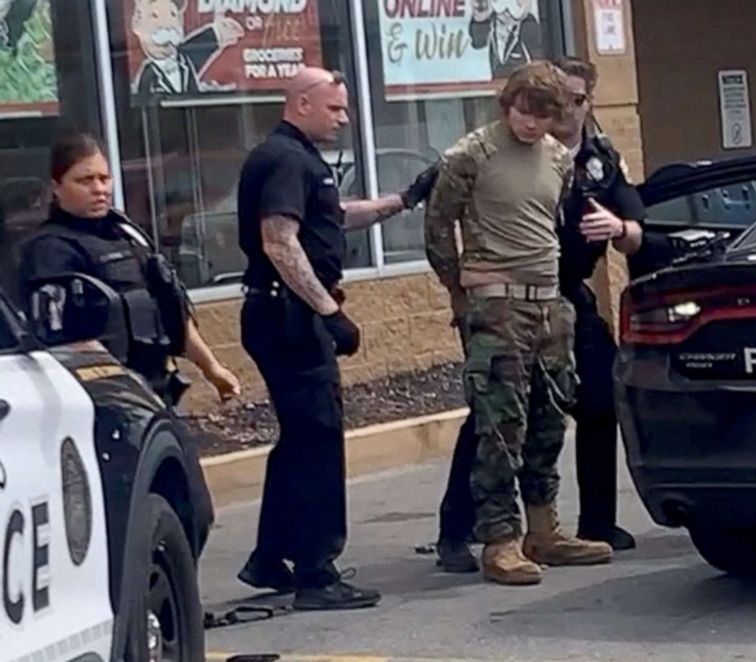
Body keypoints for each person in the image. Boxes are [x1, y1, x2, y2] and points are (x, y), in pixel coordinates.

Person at [433, 57, 645, 574]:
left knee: (549, 422)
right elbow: (438, 228)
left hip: (550, 302)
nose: (531, 123)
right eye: (524, 111)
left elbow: (555, 226)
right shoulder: (471, 154)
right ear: (508, 105)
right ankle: (498, 538)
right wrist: (461, 295)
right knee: (500, 424)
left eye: (543, 114)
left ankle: (543, 528)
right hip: (496, 301)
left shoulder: (557, 159)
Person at [235, 67, 436, 610]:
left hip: (283, 314)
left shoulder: (296, 158)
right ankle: (317, 574)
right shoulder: (284, 158)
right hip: (289, 316)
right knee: (319, 441)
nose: (344, 118)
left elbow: (333, 218)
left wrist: (404, 199)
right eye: (335, 108)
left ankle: (270, 557)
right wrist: (328, 311)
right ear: (301, 102)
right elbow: (279, 241)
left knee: (300, 438)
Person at [18, 132, 241, 407]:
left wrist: (211, 368)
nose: (99, 188)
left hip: (155, 391)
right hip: (99, 400)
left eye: (104, 178)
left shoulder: (126, 234)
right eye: (85, 180)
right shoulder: (49, 251)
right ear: (57, 187)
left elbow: (170, 304)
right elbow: (58, 341)